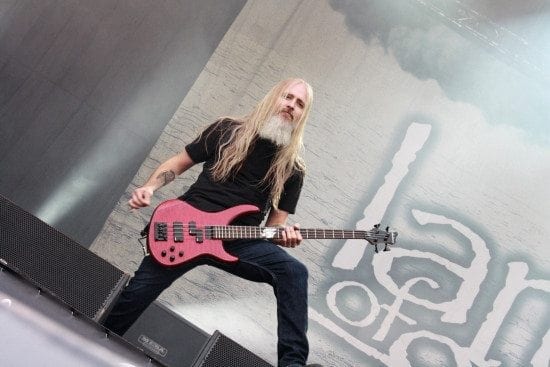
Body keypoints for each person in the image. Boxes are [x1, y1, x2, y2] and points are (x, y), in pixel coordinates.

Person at [103, 78, 322, 367]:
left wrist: (284, 237)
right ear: (273, 98)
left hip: (238, 242)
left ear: (302, 116)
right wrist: (149, 188)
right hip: (185, 229)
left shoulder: (292, 169)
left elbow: (275, 226)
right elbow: (178, 163)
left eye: (299, 104)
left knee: (293, 272)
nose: (291, 106)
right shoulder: (226, 130)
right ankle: (87, 341)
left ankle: (293, 364)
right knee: (132, 300)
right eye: (287, 97)